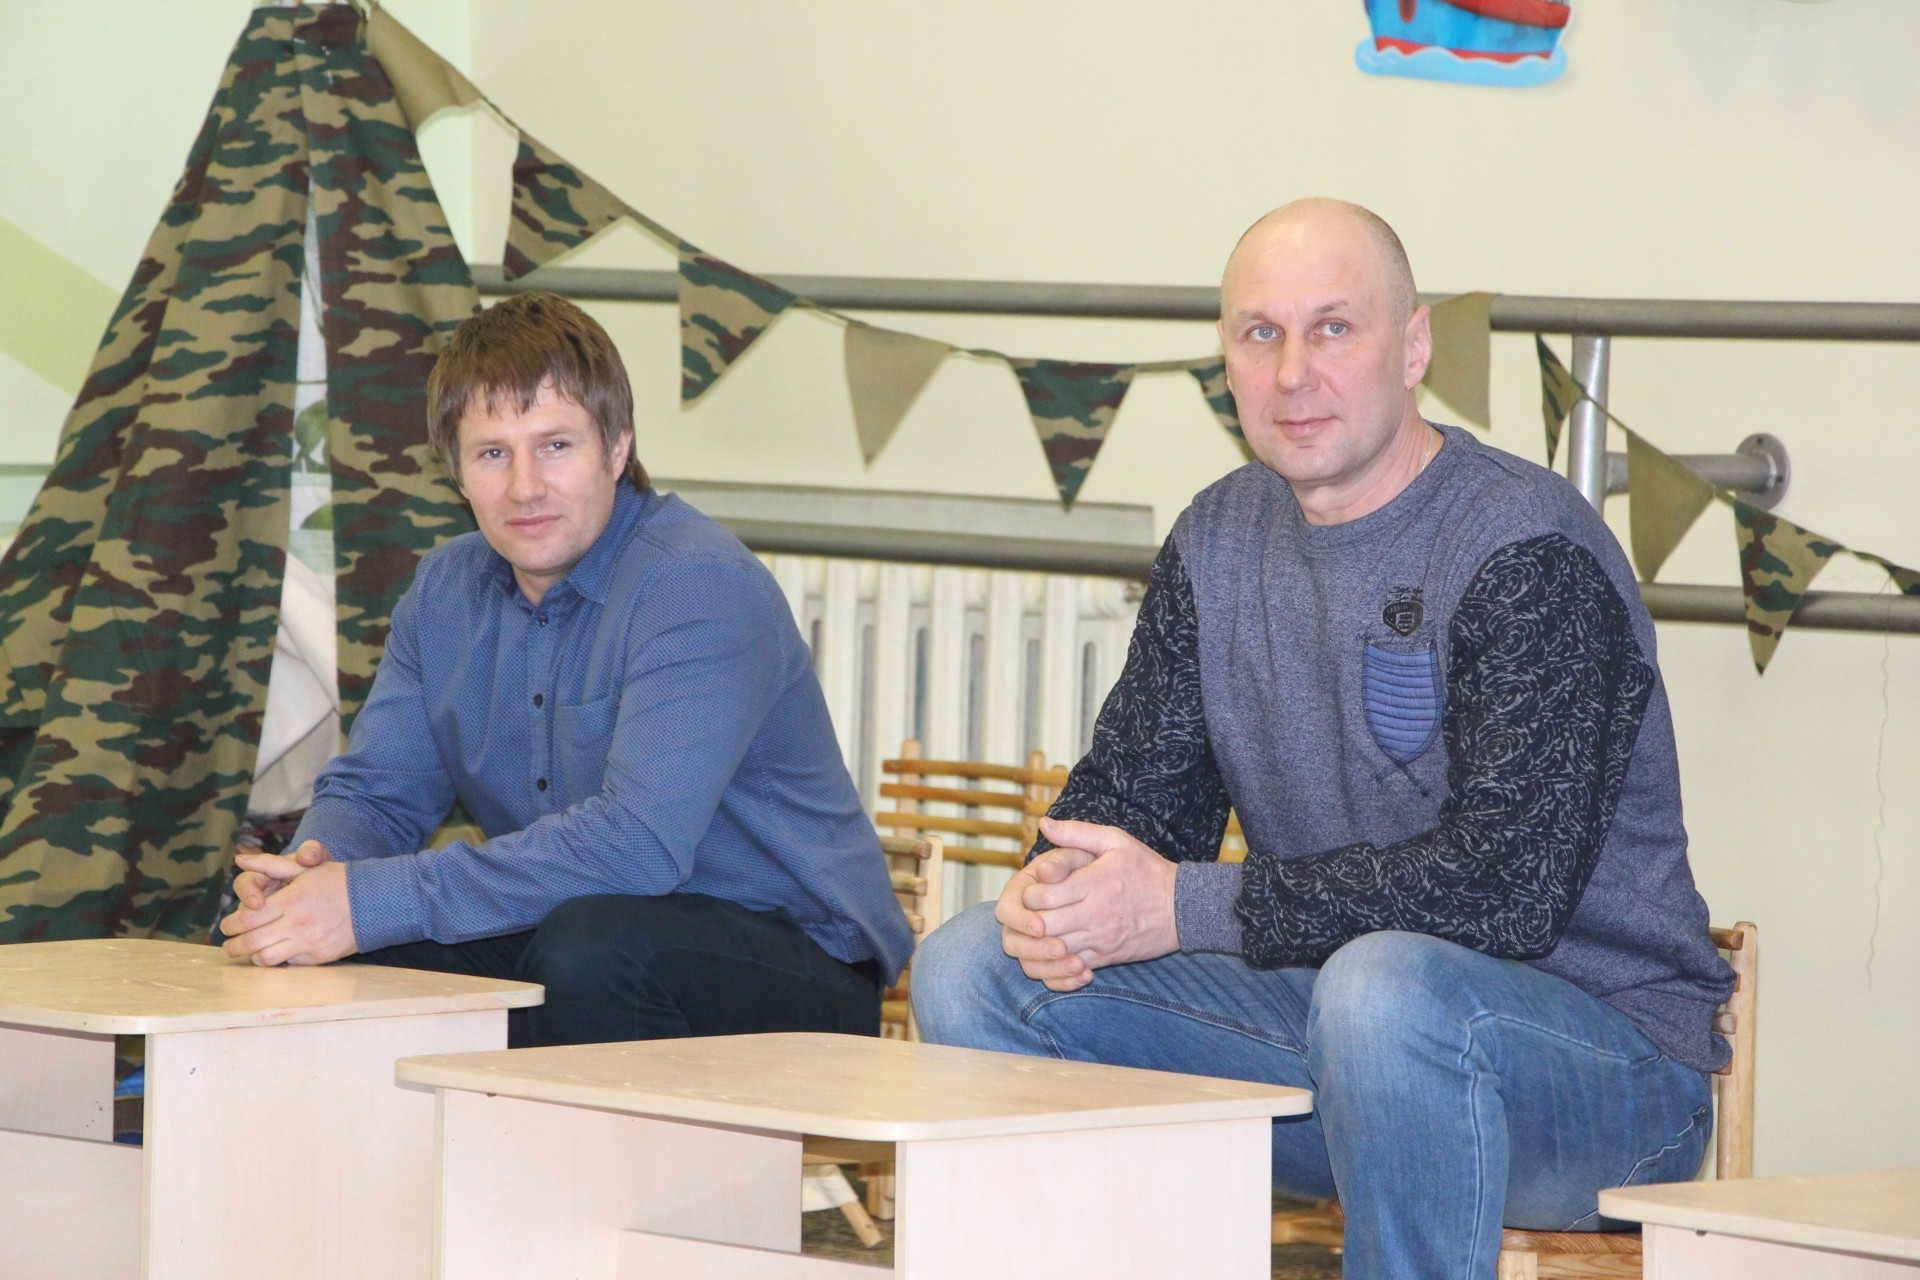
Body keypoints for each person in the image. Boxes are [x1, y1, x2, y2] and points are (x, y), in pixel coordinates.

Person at [911, 199, 1735, 1278]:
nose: (1293, 372)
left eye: (1333, 328)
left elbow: (1505, 890)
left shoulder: (1528, 548)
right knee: (974, 968)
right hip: (1336, 1039)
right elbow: (1136, 800)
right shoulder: (1218, 537)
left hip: (1605, 1074)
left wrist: (1179, 905)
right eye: (1261, 333)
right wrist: (1063, 888)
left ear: (1415, 346)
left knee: (1383, 990)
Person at [218, 291, 913, 1048]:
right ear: (456, 472)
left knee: (592, 950)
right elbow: (378, 795)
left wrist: (366, 902)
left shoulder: (695, 584)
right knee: (320, 952)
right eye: (492, 454)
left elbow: (635, 846)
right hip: (575, 925)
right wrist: (311, 876)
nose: (524, 487)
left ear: (616, 449)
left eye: (555, 445)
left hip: (797, 958)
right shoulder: (444, 592)